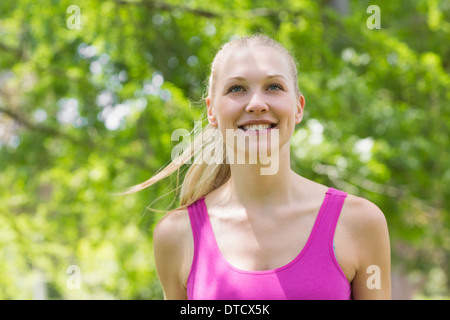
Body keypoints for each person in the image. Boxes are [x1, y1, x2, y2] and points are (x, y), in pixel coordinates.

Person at [134, 34, 391, 299]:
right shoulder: (176, 235)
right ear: (211, 111)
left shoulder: (360, 223)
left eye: (273, 87)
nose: (256, 104)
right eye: (236, 89)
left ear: (298, 107)